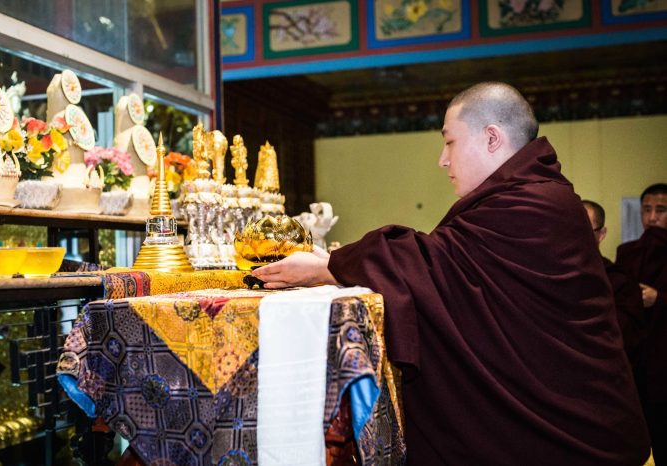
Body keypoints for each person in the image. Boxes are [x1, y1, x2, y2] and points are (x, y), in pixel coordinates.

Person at [252, 82, 650, 465]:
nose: (443, 159)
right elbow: (442, 265)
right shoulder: (533, 197)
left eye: (450, 141)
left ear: (492, 138)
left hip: (574, 437)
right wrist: (333, 265)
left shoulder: (536, 204)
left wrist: (326, 268)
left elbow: (433, 263)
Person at [616, 183, 667, 464]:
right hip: (638, 357)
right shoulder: (628, 252)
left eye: (661, 210)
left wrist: (659, 298)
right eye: (647, 210)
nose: (652, 217)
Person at [582, 199, 645, 365]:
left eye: (585, 230)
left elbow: (627, 335)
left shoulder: (618, 279)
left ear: (601, 234)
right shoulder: (551, 274)